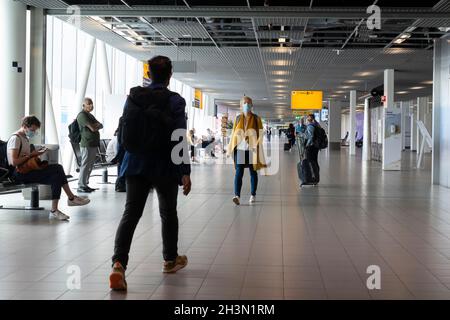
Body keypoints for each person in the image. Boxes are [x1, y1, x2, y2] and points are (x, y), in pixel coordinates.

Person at [110, 55, 192, 291]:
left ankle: (118, 264)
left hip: (135, 164)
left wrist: (122, 167)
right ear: (170, 75)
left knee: (131, 214)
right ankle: (169, 260)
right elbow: (179, 137)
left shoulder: (133, 98)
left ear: (149, 74)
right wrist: (184, 171)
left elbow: (124, 133)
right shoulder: (175, 101)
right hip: (164, 166)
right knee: (168, 213)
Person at [7, 116, 90, 220]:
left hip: (27, 170)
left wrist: (35, 154)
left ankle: (55, 209)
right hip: (19, 174)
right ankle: (71, 198)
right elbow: (13, 162)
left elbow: (25, 158)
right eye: (32, 130)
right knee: (58, 168)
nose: (33, 132)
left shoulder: (25, 138)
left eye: (35, 130)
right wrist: (32, 155)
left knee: (56, 177)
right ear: (24, 126)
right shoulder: (15, 139)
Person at [227, 96, 266, 205]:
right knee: (239, 172)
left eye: (249, 103)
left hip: (251, 149)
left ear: (252, 105)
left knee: (253, 172)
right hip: (239, 148)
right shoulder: (238, 118)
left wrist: (257, 145)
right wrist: (231, 147)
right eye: (244, 103)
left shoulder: (256, 118)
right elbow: (233, 132)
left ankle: (253, 194)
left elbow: (261, 133)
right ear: (241, 105)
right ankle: (237, 196)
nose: (246, 105)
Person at [76, 98, 103, 193]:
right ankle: (81, 185)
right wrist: (96, 125)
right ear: (83, 105)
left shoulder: (90, 115)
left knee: (90, 165)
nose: (91, 105)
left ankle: (85, 184)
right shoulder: (82, 115)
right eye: (89, 104)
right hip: (86, 143)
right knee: (85, 164)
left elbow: (101, 125)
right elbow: (93, 128)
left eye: (92, 103)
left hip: (93, 143)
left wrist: (97, 125)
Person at [302, 113, 321, 185]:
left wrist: (307, 145)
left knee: (310, 161)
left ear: (309, 119)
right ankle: (316, 177)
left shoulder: (310, 126)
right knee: (315, 161)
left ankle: (312, 177)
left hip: (311, 146)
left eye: (307, 119)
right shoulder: (317, 124)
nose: (306, 120)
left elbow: (310, 137)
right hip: (315, 147)